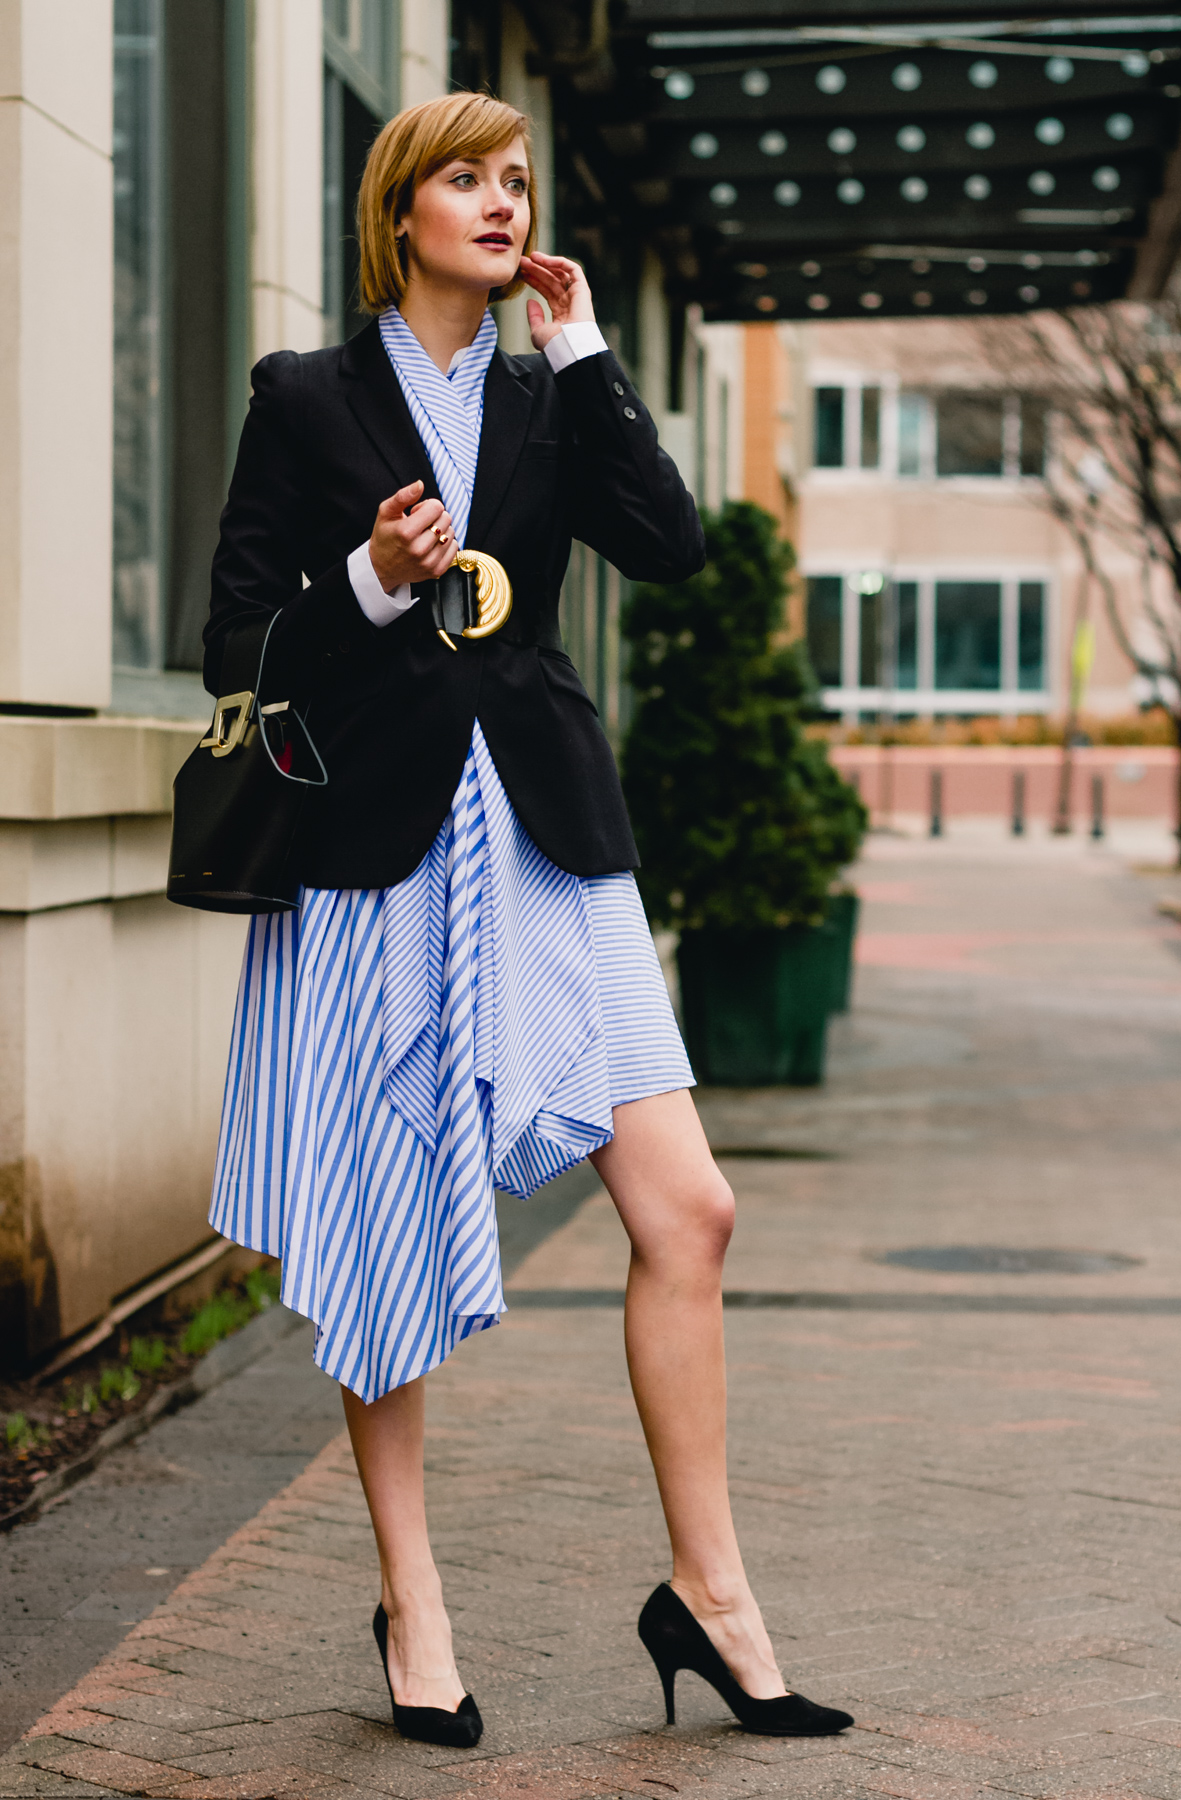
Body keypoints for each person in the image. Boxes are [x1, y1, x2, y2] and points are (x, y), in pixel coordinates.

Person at [204, 90, 852, 1750]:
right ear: (398, 208)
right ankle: (414, 1606)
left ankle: (708, 1599)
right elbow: (232, 643)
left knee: (690, 1210)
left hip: (550, 838)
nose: (502, 203)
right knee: (388, 1235)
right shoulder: (305, 397)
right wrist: (363, 583)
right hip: (379, 859)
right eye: (468, 181)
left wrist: (583, 361)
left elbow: (673, 547)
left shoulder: (546, 387)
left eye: (517, 181)